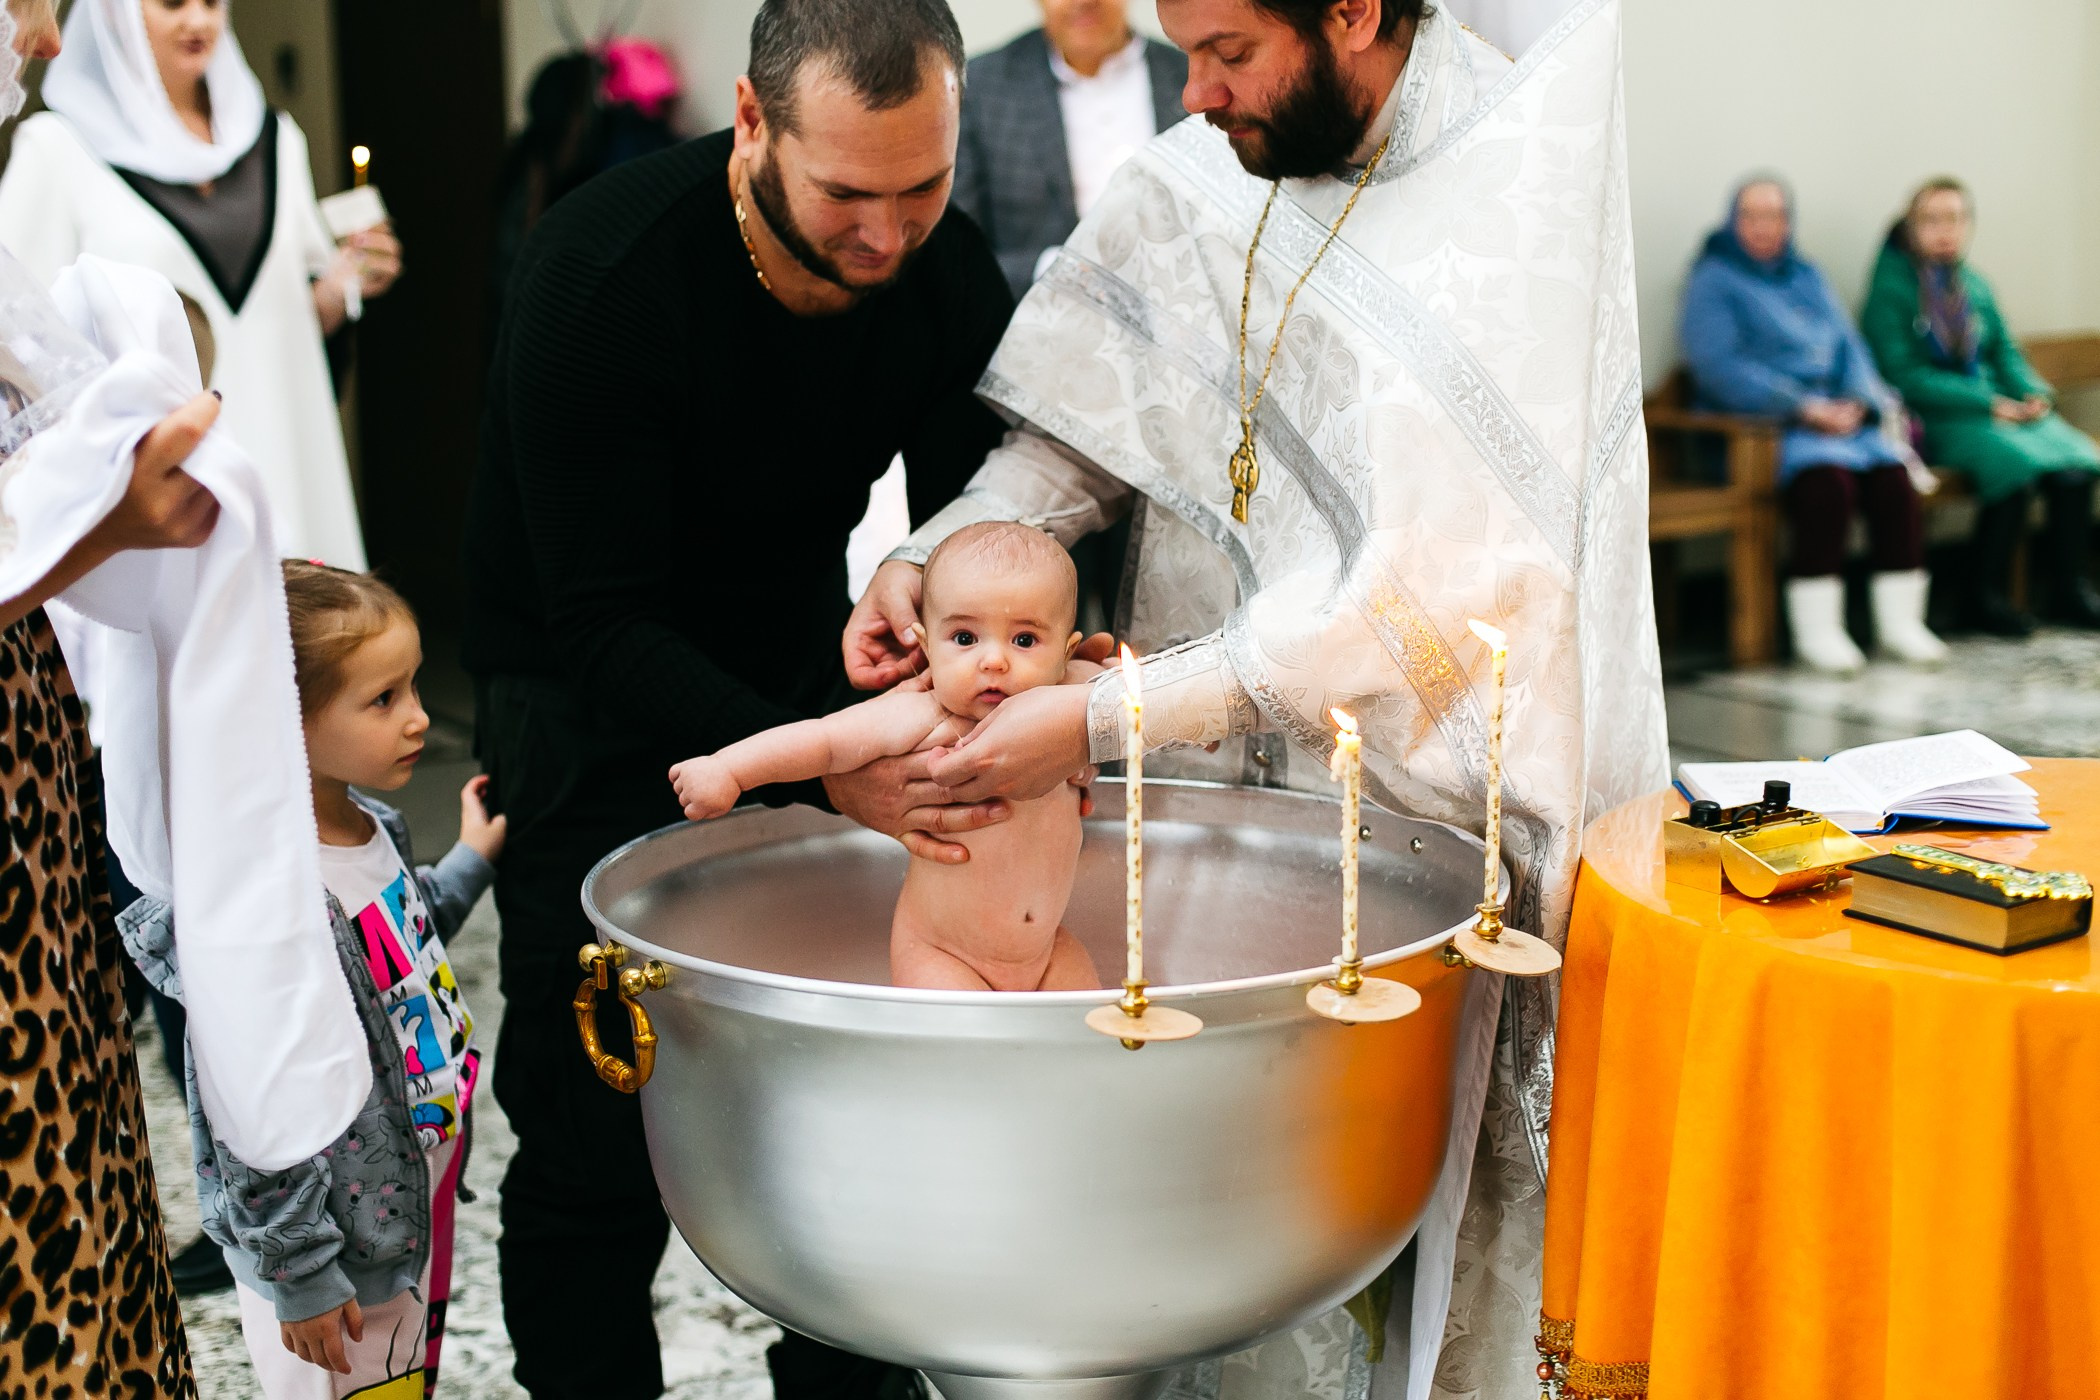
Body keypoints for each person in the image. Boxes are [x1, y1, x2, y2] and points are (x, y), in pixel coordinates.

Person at [841, 0, 1667, 1394]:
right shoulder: (1196, 178)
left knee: (1406, 1262)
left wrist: (1098, 718)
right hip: (1195, 818)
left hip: (1434, 841)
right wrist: (935, 563)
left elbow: (1437, 597)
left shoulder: (1510, 189)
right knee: (1188, 1244)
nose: (1197, 92)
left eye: (1228, 52)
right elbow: (1074, 454)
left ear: (1351, 12)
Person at [460, 0, 1022, 1391]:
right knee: (595, 1140)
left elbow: (984, 524)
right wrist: (817, 770)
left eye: (923, 186)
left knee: (841, 1115)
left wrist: (951, 636)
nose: (890, 237)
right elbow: (599, 627)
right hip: (580, 705)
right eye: (847, 195)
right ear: (754, 122)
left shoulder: (942, 274)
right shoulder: (600, 273)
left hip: (796, 668)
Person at [121, 562, 503, 1397]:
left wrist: (471, 858)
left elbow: (399, 938)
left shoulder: (375, 828)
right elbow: (249, 1107)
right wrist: (299, 1274)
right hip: (332, 1247)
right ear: (279, 725)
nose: (421, 718)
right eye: (384, 699)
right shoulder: (265, 902)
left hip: (407, 1193)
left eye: (411, 687)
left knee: (402, 1384)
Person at [0, 0, 403, 569]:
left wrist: (342, 287)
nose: (199, 22)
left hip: (292, 457)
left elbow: (283, 320)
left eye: (212, 3)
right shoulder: (57, 150)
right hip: (166, 498)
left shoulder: (279, 139)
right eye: (171, 4)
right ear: (116, 16)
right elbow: (24, 350)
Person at [673, 522, 1099, 991]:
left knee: (1091, 1049)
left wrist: (1113, 680)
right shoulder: (918, 714)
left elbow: (1138, 704)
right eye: (963, 638)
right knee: (970, 1061)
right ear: (924, 645)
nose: (993, 661)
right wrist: (729, 769)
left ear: (1065, 650)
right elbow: (822, 741)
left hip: (1046, 951)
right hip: (945, 956)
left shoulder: (1068, 698)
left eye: (1024, 640)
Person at [1681, 178, 1944, 672]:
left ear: (1788, 222)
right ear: (1733, 221)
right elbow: (1718, 367)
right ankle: (1818, 631)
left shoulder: (1807, 274)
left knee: (1892, 479)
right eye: (1752, 215)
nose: (1764, 226)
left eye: (1775, 215)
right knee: (1829, 486)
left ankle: (1901, 624)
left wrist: (1861, 403)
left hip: (1837, 420)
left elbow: (1849, 346)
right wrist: (1803, 408)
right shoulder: (1712, 281)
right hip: (1763, 431)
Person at [1861, 177, 2100, 636]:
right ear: (1910, 227)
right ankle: (1979, 595)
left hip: (1996, 407)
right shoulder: (1889, 291)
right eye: (1931, 220)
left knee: (2077, 461)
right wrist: (1989, 402)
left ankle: (2068, 588)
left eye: (1954, 219)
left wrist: (2033, 393)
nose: (1944, 231)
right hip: (1939, 416)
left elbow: (2005, 352)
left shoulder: (1973, 285)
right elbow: (1902, 374)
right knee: (2011, 465)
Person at [951, 0, 1188, 301]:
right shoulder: (982, 89)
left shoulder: (1192, 76)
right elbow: (957, 258)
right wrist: (1059, 270)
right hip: (1037, 328)